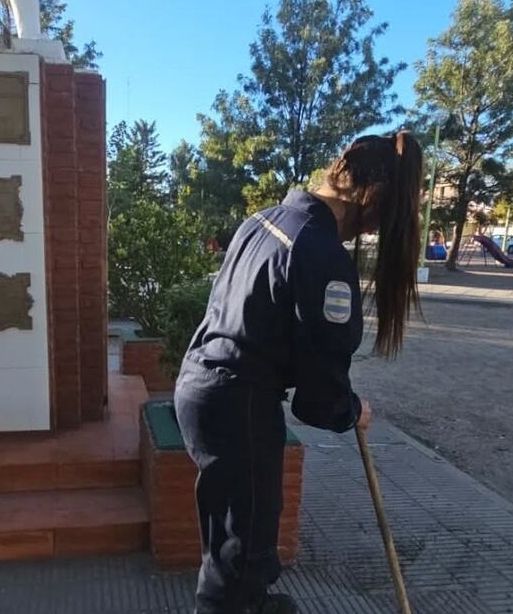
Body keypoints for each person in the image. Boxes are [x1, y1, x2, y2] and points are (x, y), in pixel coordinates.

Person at [174, 132, 423, 613]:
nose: (370, 233)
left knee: (232, 544)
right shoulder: (320, 254)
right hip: (238, 405)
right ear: (370, 199)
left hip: (200, 389)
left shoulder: (264, 219)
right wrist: (350, 410)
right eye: (378, 221)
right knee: (239, 563)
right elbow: (317, 397)